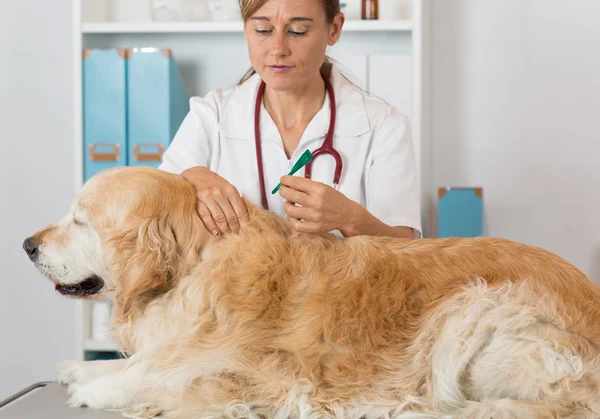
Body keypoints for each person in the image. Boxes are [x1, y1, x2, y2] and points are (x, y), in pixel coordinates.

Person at [158, 0, 421, 239]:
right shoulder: (211, 116)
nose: (278, 49)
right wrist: (188, 178)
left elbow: (408, 251)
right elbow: (149, 212)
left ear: (334, 29)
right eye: (262, 30)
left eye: (297, 31)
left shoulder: (384, 125)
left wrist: (350, 219)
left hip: (339, 292)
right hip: (234, 291)